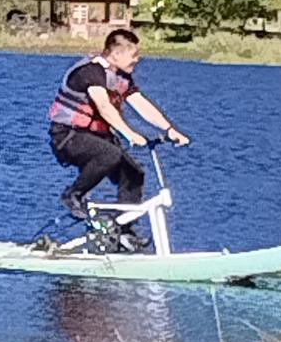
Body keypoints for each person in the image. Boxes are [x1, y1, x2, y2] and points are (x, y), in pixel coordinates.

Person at [49, 28, 190, 221]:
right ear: (116, 54)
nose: (137, 59)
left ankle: (124, 230)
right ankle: (73, 194)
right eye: (134, 55)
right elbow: (104, 107)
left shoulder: (121, 77)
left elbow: (140, 103)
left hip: (97, 137)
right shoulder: (91, 71)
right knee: (110, 154)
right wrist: (129, 134)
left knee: (133, 174)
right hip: (68, 137)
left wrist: (169, 129)